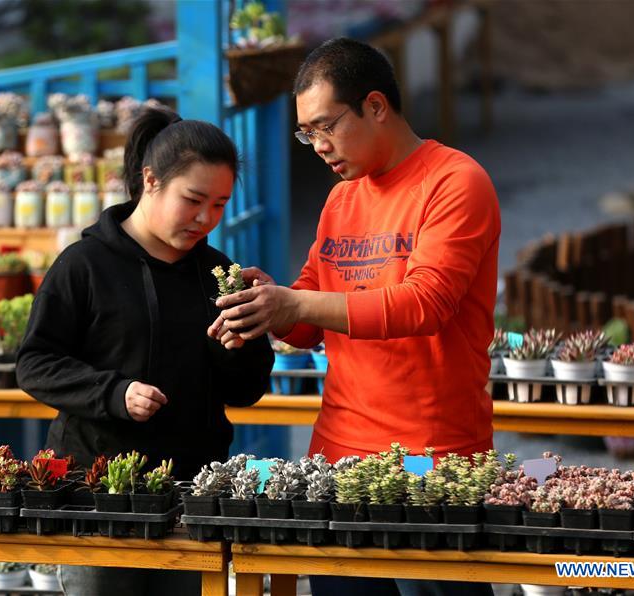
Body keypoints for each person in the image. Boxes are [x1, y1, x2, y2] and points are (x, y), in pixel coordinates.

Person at [209, 38, 500, 596]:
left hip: (432, 456)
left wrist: (296, 303)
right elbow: (310, 314)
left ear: (375, 105)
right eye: (306, 133)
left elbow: (426, 302)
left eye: (326, 126)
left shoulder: (455, 182)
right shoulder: (343, 200)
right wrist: (269, 304)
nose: (316, 146)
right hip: (339, 449)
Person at [17, 106, 274, 596]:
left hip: (193, 496)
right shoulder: (84, 264)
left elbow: (245, 392)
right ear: (151, 180)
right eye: (194, 200)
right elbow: (35, 364)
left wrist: (246, 336)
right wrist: (115, 393)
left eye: (219, 205)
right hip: (99, 496)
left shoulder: (218, 274)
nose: (206, 219)